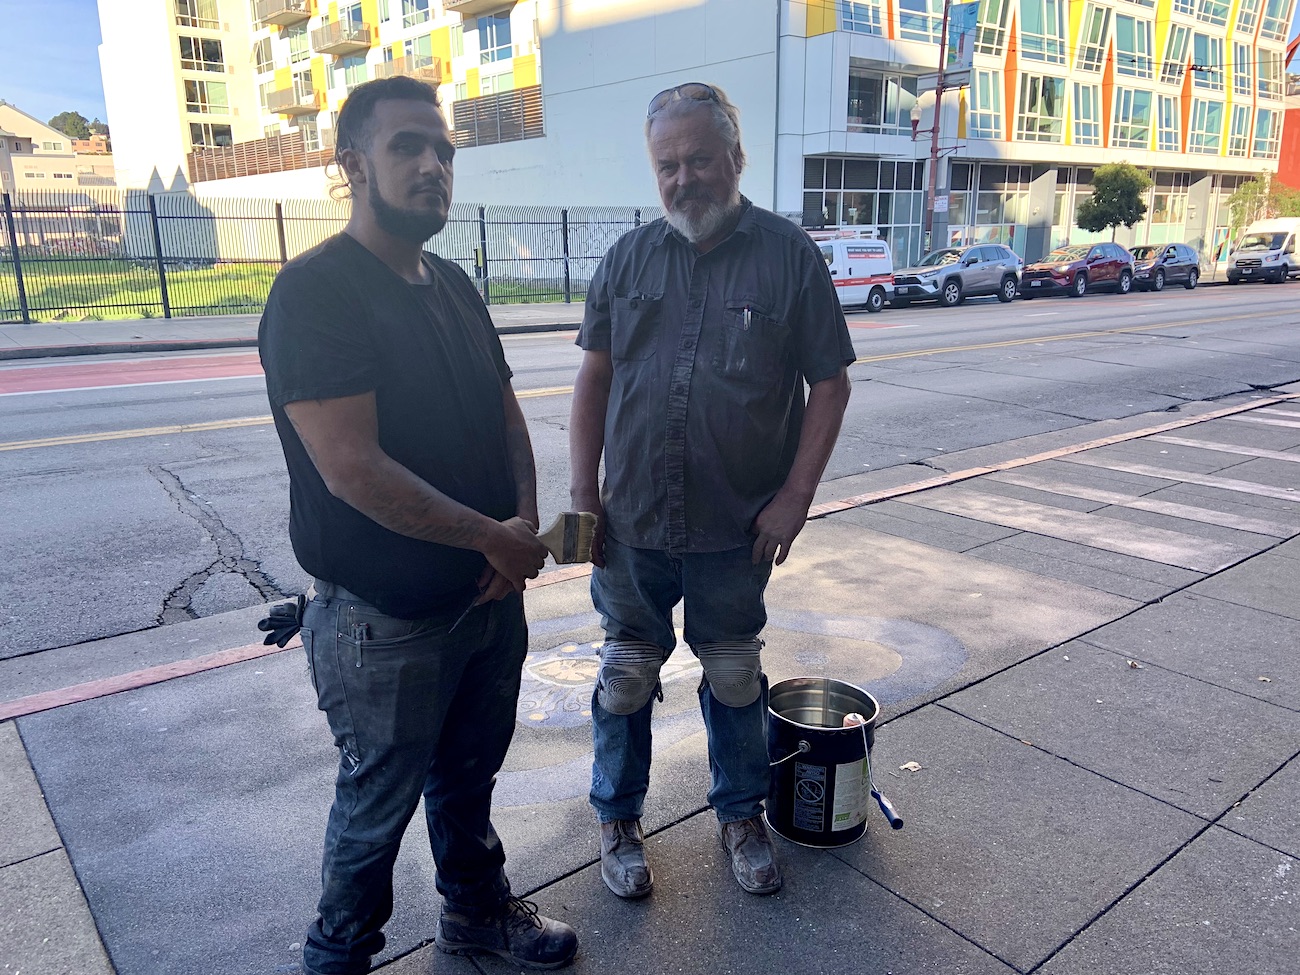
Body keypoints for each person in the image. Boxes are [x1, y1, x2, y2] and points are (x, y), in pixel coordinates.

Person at [258, 76, 578, 974]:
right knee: (375, 811)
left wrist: (516, 532)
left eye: (443, 150)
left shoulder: (455, 284)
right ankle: (338, 957)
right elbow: (352, 467)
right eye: (409, 147)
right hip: (385, 622)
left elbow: (507, 416)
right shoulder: (317, 293)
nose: (435, 164)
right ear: (354, 164)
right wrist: (492, 538)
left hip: (486, 601)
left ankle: (475, 915)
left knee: (467, 784)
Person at [568, 82, 855, 899]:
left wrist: (797, 495)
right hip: (631, 523)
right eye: (668, 164)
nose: (684, 177)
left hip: (739, 526)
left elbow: (829, 385)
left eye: (699, 159)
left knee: (733, 673)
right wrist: (581, 497)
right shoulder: (627, 258)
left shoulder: (787, 254)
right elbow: (592, 379)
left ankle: (739, 815)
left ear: (736, 157)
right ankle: (618, 821)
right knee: (625, 673)